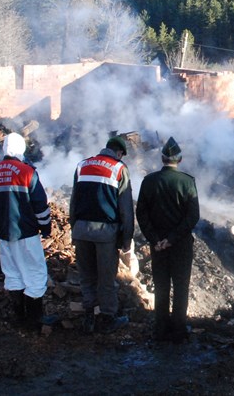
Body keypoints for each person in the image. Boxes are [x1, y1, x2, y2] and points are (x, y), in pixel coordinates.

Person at [0, 132, 55, 329]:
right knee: (36, 274)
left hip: (4, 235)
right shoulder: (27, 172)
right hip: (26, 233)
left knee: (13, 274)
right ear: (21, 149)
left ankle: (19, 318)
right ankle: (35, 321)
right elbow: (40, 205)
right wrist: (46, 228)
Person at [136, 137, 201, 345]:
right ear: (179, 160)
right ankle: (179, 331)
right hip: (180, 244)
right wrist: (172, 239)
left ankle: (161, 330)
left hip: (157, 245)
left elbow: (141, 214)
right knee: (181, 287)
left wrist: (156, 239)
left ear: (162, 158)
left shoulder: (149, 181)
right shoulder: (188, 182)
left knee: (161, 286)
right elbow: (193, 217)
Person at [71, 136, 133, 334]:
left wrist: (75, 228)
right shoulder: (119, 168)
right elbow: (126, 210)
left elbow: (73, 202)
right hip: (105, 233)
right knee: (106, 279)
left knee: (87, 276)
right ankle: (107, 318)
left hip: (81, 230)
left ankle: (88, 317)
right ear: (120, 153)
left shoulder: (82, 165)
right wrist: (126, 239)